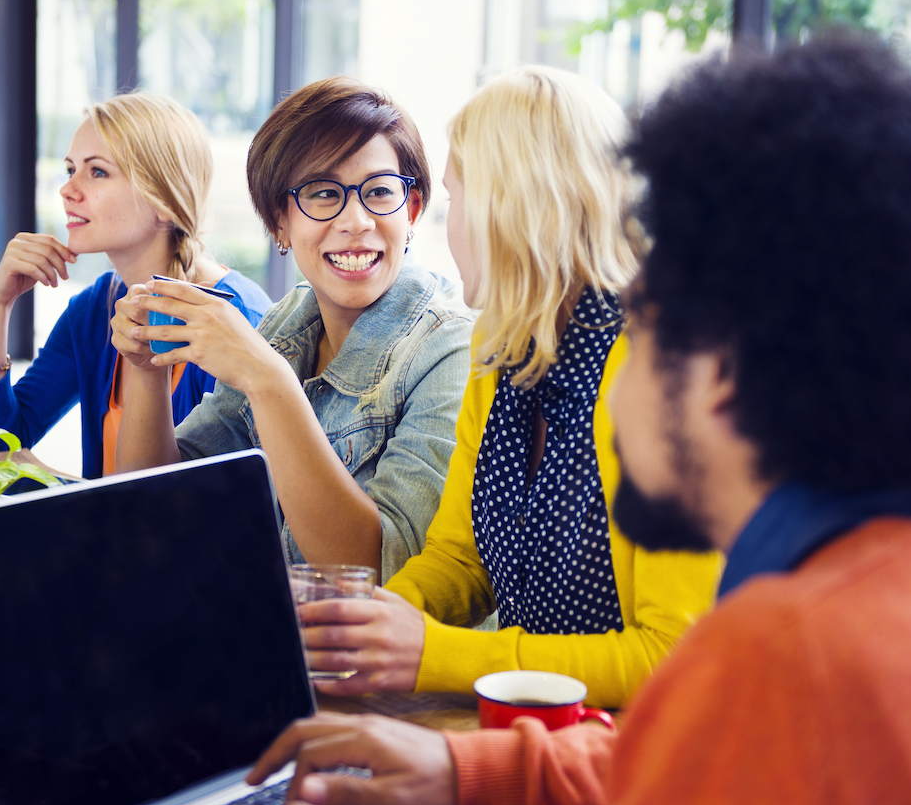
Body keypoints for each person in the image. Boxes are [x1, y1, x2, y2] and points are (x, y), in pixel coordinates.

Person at [215, 33, 911, 805]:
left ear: (717, 369)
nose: (629, 330)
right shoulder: (824, 601)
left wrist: (434, 664)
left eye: (653, 316)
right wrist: (464, 762)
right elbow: (655, 758)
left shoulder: (782, 650)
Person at [296, 66, 721, 708]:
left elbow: (671, 656)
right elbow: (461, 557)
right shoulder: (498, 347)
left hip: (632, 762)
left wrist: (436, 655)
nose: (445, 228)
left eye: (453, 200)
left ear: (511, 208)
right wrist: (365, 628)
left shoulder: (665, 372)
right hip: (531, 740)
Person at [111, 78, 472, 581]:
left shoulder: (452, 349)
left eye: (379, 193)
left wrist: (270, 381)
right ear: (279, 221)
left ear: (411, 211)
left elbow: (387, 574)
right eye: (323, 193)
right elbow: (154, 505)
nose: (356, 220)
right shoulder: (291, 321)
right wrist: (147, 370)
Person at [0, 91, 271, 478]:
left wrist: (56, 485)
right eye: (71, 170)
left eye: (97, 172)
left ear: (163, 201)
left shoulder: (241, 320)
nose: (67, 190)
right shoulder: (94, 311)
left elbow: (213, 511)